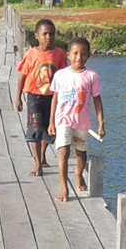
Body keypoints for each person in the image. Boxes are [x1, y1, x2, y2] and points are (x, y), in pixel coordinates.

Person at [48, 36, 105, 203]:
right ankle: (64, 189)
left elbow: (97, 100)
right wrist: (51, 122)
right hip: (63, 120)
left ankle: (79, 174)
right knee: (63, 152)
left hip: (82, 122)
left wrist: (101, 123)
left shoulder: (91, 76)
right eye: (75, 53)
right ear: (68, 55)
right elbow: (55, 99)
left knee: (81, 154)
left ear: (88, 56)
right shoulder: (60, 75)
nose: (79, 57)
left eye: (83, 54)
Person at [15, 19, 68, 177]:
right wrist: (18, 97)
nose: (48, 37)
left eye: (51, 34)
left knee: (48, 129)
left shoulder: (59, 54)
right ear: (37, 36)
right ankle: (38, 163)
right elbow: (23, 76)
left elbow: (64, 76)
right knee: (35, 128)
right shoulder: (31, 54)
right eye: (44, 34)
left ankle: (43, 155)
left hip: (53, 98)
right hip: (34, 97)